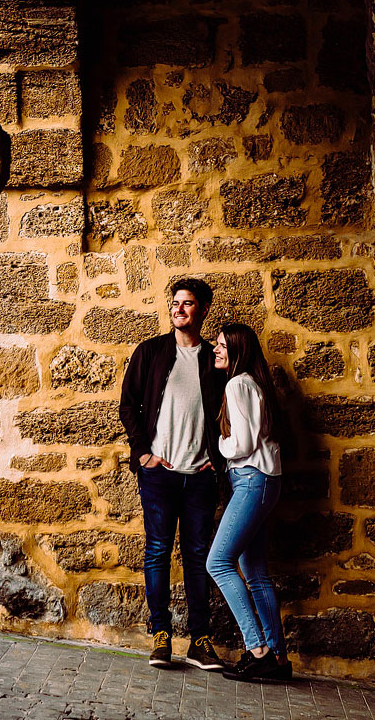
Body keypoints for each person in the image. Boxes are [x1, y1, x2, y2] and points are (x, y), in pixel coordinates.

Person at [117, 276, 228, 671]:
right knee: (158, 553)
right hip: (159, 475)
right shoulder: (150, 352)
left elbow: (227, 412)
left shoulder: (213, 360)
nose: (178, 309)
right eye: (175, 302)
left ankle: (200, 642)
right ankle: (161, 637)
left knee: (199, 558)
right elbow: (127, 406)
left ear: (203, 310)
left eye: (188, 303)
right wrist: (144, 454)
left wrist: (219, 459)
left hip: (200, 476)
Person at [205, 322, 291, 681]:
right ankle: (279, 662)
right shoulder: (256, 384)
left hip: (251, 481)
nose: (215, 350)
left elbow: (241, 445)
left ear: (237, 350)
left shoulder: (238, 384)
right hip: (266, 482)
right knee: (255, 573)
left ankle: (257, 649)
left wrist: (220, 448)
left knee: (218, 563)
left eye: (222, 345)